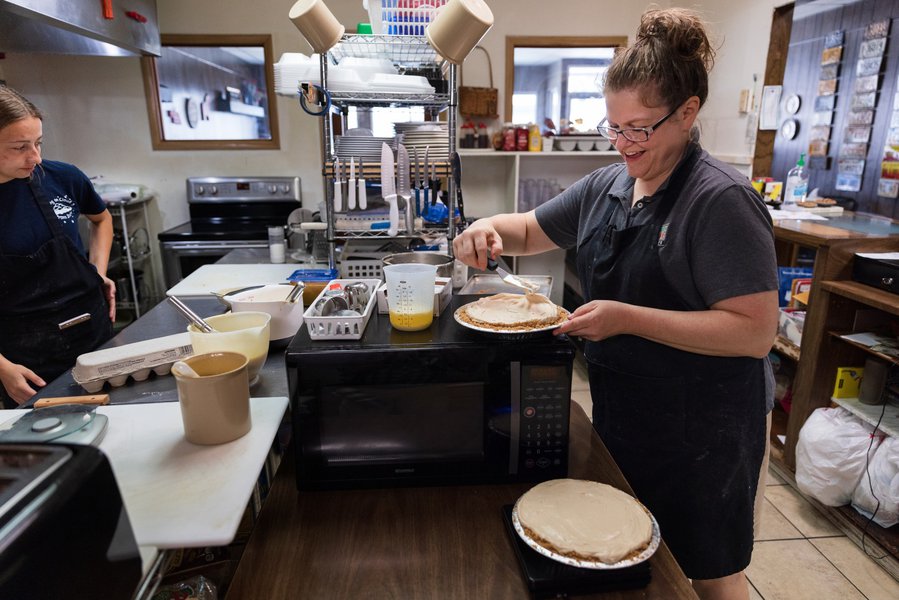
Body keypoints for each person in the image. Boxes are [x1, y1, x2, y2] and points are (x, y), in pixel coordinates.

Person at [453, 8, 778, 600]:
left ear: (688, 113)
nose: (624, 144)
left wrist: (624, 317)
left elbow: (753, 331)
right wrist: (483, 228)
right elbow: (527, 231)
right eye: (613, 127)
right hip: (630, 411)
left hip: (706, 427)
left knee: (707, 572)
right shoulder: (607, 186)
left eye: (639, 129)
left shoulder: (720, 202)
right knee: (633, 559)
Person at [0, 85, 116, 408]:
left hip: (94, 334)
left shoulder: (63, 177)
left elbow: (102, 220)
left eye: (38, 143)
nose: (35, 157)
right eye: (20, 147)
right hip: (26, 360)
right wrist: (3, 369)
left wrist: (98, 272)